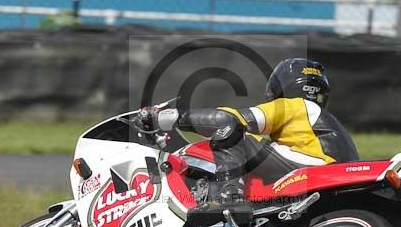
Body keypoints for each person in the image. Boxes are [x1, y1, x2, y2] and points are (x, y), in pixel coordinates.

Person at [144, 58, 359, 209]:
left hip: (312, 168)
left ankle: (228, 196)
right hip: (332, 178)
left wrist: (170, 117)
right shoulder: (322, 121)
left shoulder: (294, 105)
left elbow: (231, 119)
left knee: (232, 130)